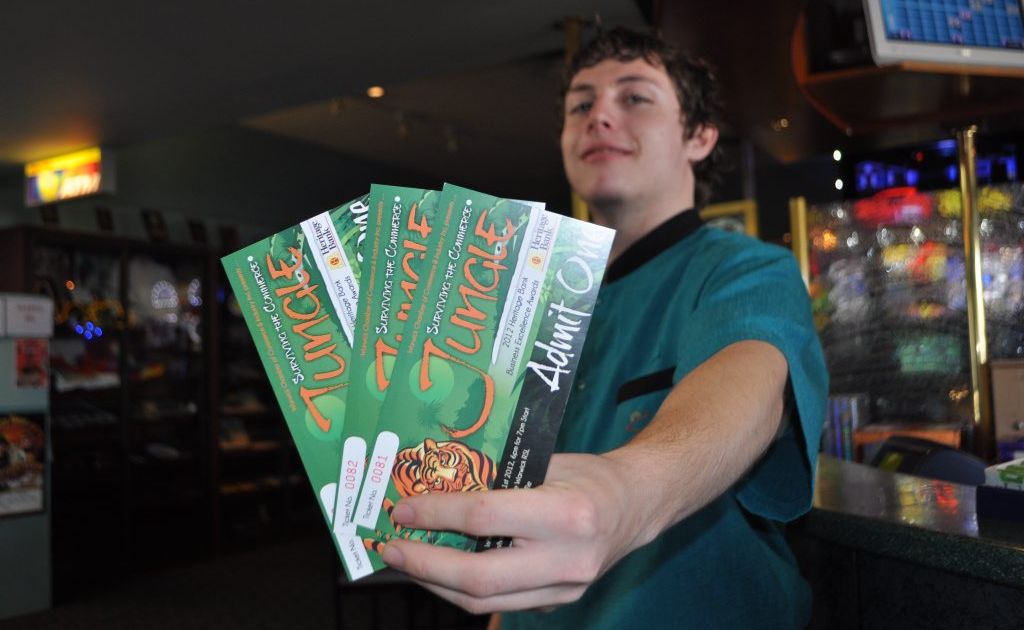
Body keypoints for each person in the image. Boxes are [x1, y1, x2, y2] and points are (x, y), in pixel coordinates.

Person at [378, 26, 828, 629]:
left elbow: (748, 379)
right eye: (580, 105)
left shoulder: (743, 269)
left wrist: (624, 491)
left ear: (699, 135)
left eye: (635, 97)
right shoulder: (526, 303)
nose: (600, 117)